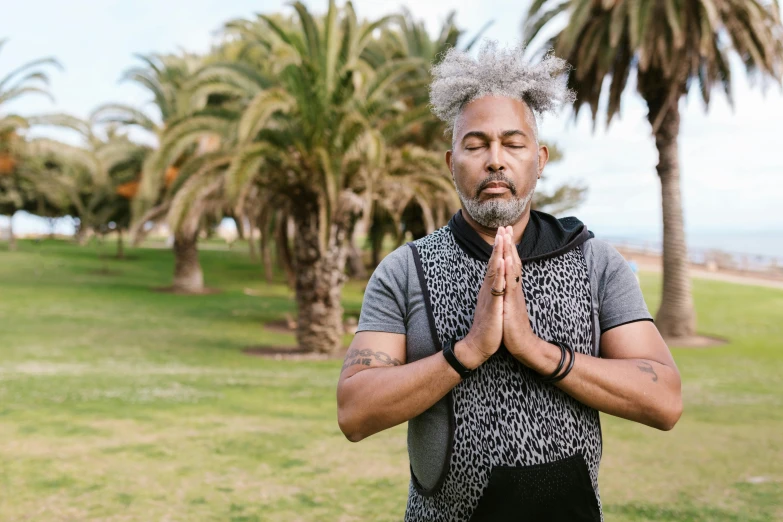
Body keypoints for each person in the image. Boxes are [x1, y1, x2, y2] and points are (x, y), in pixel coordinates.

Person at [336, 41, 682, 522]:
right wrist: (469, 350)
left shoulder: (596, 261)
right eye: (475, 145)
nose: (495, 160)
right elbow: (354, 413)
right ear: (450, 162)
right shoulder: (404, 269)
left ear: (539, 160)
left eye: (513, 144)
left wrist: (536, 350)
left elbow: (665, 400)